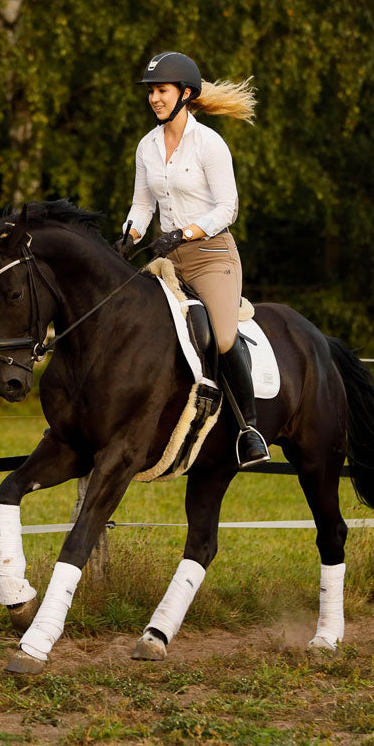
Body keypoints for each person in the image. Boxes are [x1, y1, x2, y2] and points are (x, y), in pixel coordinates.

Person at [117, 51, 269, 469]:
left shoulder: (210, 144)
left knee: (220, 338)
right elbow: (141, 204)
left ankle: (249, 429)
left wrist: (184, 233)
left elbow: (227, 208)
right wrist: (128, 235)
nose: (154, 98)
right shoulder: (146, 147)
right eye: (151, 92)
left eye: (161, 91)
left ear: (185, 93)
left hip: (211, 256)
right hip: (168, 257)